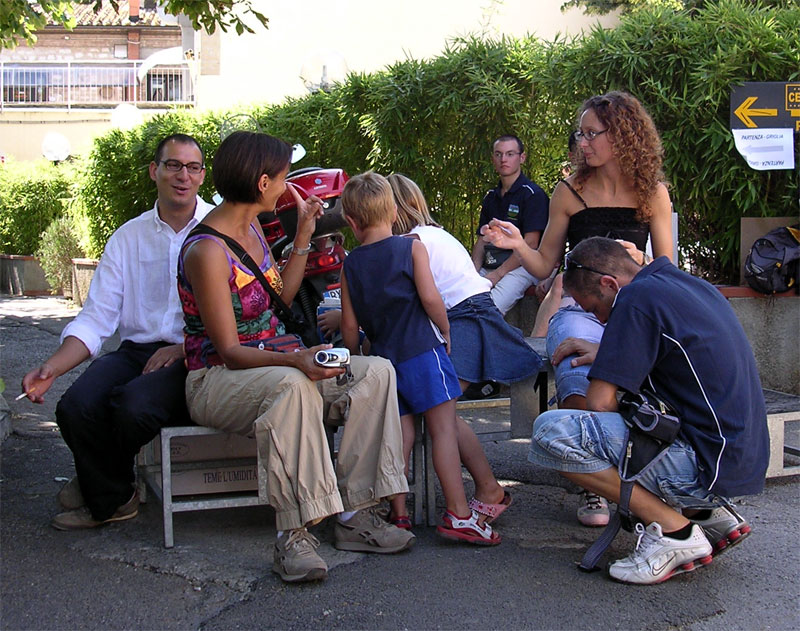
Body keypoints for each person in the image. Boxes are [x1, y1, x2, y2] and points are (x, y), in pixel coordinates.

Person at [179, 132, 413, 585]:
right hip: (217, 379)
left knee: (375, 372)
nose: (288, 188)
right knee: (292, 387)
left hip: (274, 362)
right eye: (285, 178)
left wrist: (304, 234)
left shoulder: (252, 231)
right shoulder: (207, 250)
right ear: (262, 181)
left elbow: (281, 299)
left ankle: (355, 516)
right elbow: (228, 350)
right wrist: (296, 362)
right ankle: (294, 534)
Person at [482, 92, 675, 527]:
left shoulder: (652, 193)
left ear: (622, 135)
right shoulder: (569, 191)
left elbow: (668, 271)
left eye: (592, 133)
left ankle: (633, 477)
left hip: (632, 311)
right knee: (576, 367)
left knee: (633, 384)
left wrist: (641, 262)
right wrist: (516, 245)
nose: (582, 143)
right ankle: (595, 486)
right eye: (580, 133)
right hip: (576, 303)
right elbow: (545, 264)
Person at [529, 237, 768, 585]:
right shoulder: (681, 283)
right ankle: (708, 515)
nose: (599, 319)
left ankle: (676, 533)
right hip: (737, 460)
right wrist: (607, 351)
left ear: (609, 284)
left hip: (703, 465)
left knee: (552, 432)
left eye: (594, 308)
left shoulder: (634, 300)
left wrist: (604, 363)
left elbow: (600, 403)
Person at [21, 133, 213, 530]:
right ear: (154, 171)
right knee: (75, 406)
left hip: (195, 354)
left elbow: (239, 312)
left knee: (133, 407)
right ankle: (115, 495)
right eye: (173, 165)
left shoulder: (217, 229)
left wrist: (181, 348)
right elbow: (96, 319)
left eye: (192, 167)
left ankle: (98, 487)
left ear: (202, 176)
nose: (183, 176)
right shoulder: (128, 237)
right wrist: (52, 368)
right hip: (135, 350)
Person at [339, 171, 501, 545]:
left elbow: (349, 327)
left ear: (350, 221)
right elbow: (430, 299)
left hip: (383, 360)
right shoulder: (412, 246)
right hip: (423, 353)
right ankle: (460, 514)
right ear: (394, 211)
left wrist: (357, 353)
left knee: (399, 435)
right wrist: (445, 331)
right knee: (444, 429)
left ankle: (399, 512)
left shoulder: (350, 265)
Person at [384, 172, 542, 526]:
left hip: (465, 319)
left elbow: (414, 300)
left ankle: (485, 492)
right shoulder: (434, 234)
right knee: (443, 414)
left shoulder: (413, 241)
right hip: (471, 314)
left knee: (440, 413)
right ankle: (486, 490)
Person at [471, 134, 549, 316]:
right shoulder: (491, 196)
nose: (503, 159)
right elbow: (482, 241)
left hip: (523, 266)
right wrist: (472, 272)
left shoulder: (533, 195)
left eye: (510, 154)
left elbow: (530, 243)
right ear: (493, 158)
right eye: (498, 154)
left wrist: (497, 275)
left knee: (489, 309)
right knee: (460, 299)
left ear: (522, 157)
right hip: (491, 263)